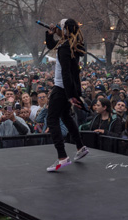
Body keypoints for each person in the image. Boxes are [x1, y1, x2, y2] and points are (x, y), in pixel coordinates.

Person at [45, 18, 88, 171]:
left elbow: (66, 72)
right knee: (65, 116)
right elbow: (52, 45)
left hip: (61, 88)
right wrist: (50, 34)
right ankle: (80, 147)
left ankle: (62, 157)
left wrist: (70, 96)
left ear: (65, 30)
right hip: (66, 88)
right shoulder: (72, 45)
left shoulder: (65, 47)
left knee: (51, 119)